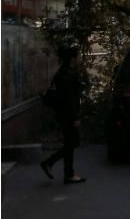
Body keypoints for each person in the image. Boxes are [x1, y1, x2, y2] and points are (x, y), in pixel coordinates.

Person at [40, 46, 86, 184]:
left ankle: (66, 172)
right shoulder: (67, 75)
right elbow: (70, 99)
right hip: (67, 114)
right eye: (79, 56)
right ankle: (57, 168)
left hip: (63, 113)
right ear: (73, 58)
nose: (80, 58)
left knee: (70, 143)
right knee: (71, 143)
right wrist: (75, 117)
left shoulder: (64, 72)